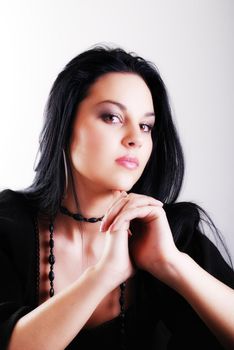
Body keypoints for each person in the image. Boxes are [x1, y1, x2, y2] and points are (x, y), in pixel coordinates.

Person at [0, 44, 234, 350]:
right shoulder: (8, 225)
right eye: (112, 117)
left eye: (145, 125)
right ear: (66, 123)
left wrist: (172, 264)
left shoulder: (173, 232)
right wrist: (104, 275)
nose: (135, 138)